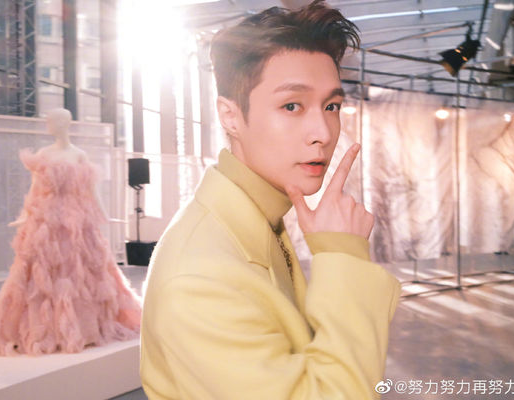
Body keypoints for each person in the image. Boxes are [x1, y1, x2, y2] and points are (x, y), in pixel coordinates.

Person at [140, 1, 401, 398]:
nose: (323, 133)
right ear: (230, 116)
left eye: (331, 106)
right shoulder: (200, 279)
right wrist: (343, 255)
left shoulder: (259, 217)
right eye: (292, 105)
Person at [0, 108, 141, 356]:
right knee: (44, 272)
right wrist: (25, 216)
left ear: (64, 123)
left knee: (80, 271)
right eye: (48, 121)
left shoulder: (79, 155)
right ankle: (49, 329)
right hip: (47, 220)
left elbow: (91, 190)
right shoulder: (44, 154)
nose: (48, 124)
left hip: (77, 220)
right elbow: (35, 188)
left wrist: (104, 214)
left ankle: (83, 328)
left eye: (52, 121)